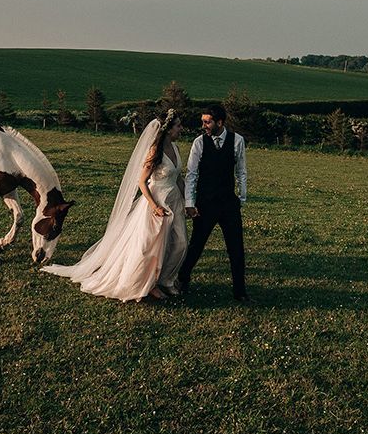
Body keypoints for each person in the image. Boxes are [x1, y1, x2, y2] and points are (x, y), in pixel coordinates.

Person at [42, 110, 188, 302]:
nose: (181, 128)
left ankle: (166, 279)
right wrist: (154, 206)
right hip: (156, 201)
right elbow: (142, 182)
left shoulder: (176, 149)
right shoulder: (155, 151)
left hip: (175, 200)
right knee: (150, 246)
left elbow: (179, 177)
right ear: (168, 129)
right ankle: (149, 284)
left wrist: (187, 202)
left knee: (181, 243)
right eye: (177, 125)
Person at [177, 103, 250, 302]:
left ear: (220, 122)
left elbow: (241, 171)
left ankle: (240, 292)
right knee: (197, 244)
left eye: (207, 122)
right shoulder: (199, 143)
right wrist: (190, 203)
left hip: (228, 203)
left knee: (236, 248)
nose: (204, 125)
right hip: (205, 203)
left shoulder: (237, 141)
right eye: (203, 121)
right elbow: (192, 174)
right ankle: (183, 278)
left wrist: (241, 198)